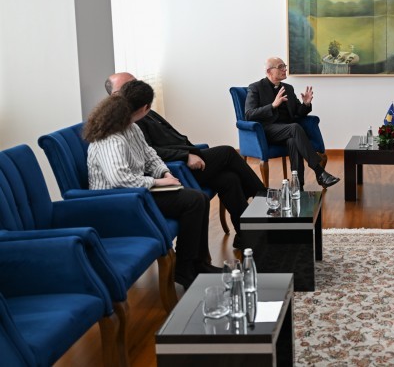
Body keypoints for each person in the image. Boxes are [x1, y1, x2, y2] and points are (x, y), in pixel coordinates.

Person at [106, 73, 266, 250]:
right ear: (116, 95)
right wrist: (185, 156)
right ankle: (265, 199)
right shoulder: (126, 123)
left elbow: (150, 152)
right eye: (130, 86)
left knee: (229, 179)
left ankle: (246, 235)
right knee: (228, 152)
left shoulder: (142, 113)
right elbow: (149, 155)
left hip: (177, 163)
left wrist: (188, 152)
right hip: (177, 169)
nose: (137, 88)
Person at [84, 80, 218, 289]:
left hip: (137, 192)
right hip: (117, 201)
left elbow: (149, 155)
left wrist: (164, 172)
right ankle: (185, 269)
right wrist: (158, 181)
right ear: (145, 108)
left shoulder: (131, 127)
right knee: (193, 201)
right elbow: (119, 180)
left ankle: (198, 264)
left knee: (198, 198)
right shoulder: (111, 137)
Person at [245, 57, 340, 188]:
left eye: (285, 66)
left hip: (288, 131)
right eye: (280, 67)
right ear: (269, 71)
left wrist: (306, 104)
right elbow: (249, 114)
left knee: (293, 141)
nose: (285, 69)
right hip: (267, 131)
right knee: (294, 128)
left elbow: (298, 113)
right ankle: (319, 171)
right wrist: (272, 106)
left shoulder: (288, 88)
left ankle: (298, 186)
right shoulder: (256, 88)